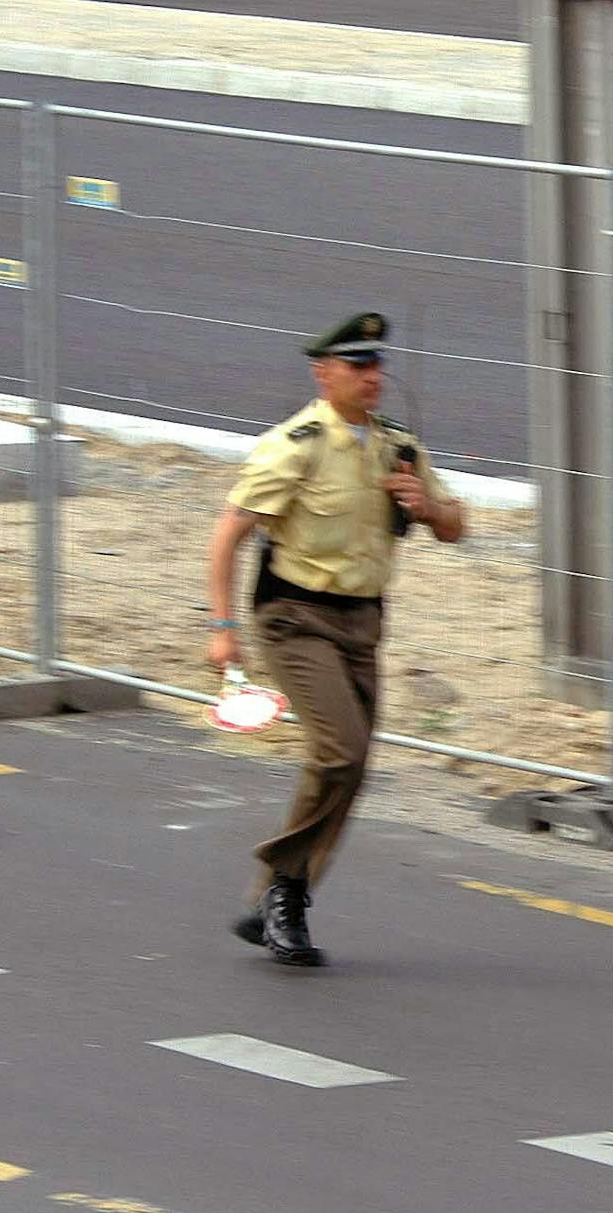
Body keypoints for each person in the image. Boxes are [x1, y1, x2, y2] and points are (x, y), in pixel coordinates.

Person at [204, 312, 465, 966]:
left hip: (362, 622)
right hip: (294, 616)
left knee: (348, 768)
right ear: (324, 374)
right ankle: (286, 886)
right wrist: (222, 629)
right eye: (357, 365)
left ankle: (276, 897)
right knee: (340, 749)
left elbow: (457, 523)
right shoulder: (296, 445)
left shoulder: (397, 448)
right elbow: (229, 534)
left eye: (377, 364)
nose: (373, 376)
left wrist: (427, 506)